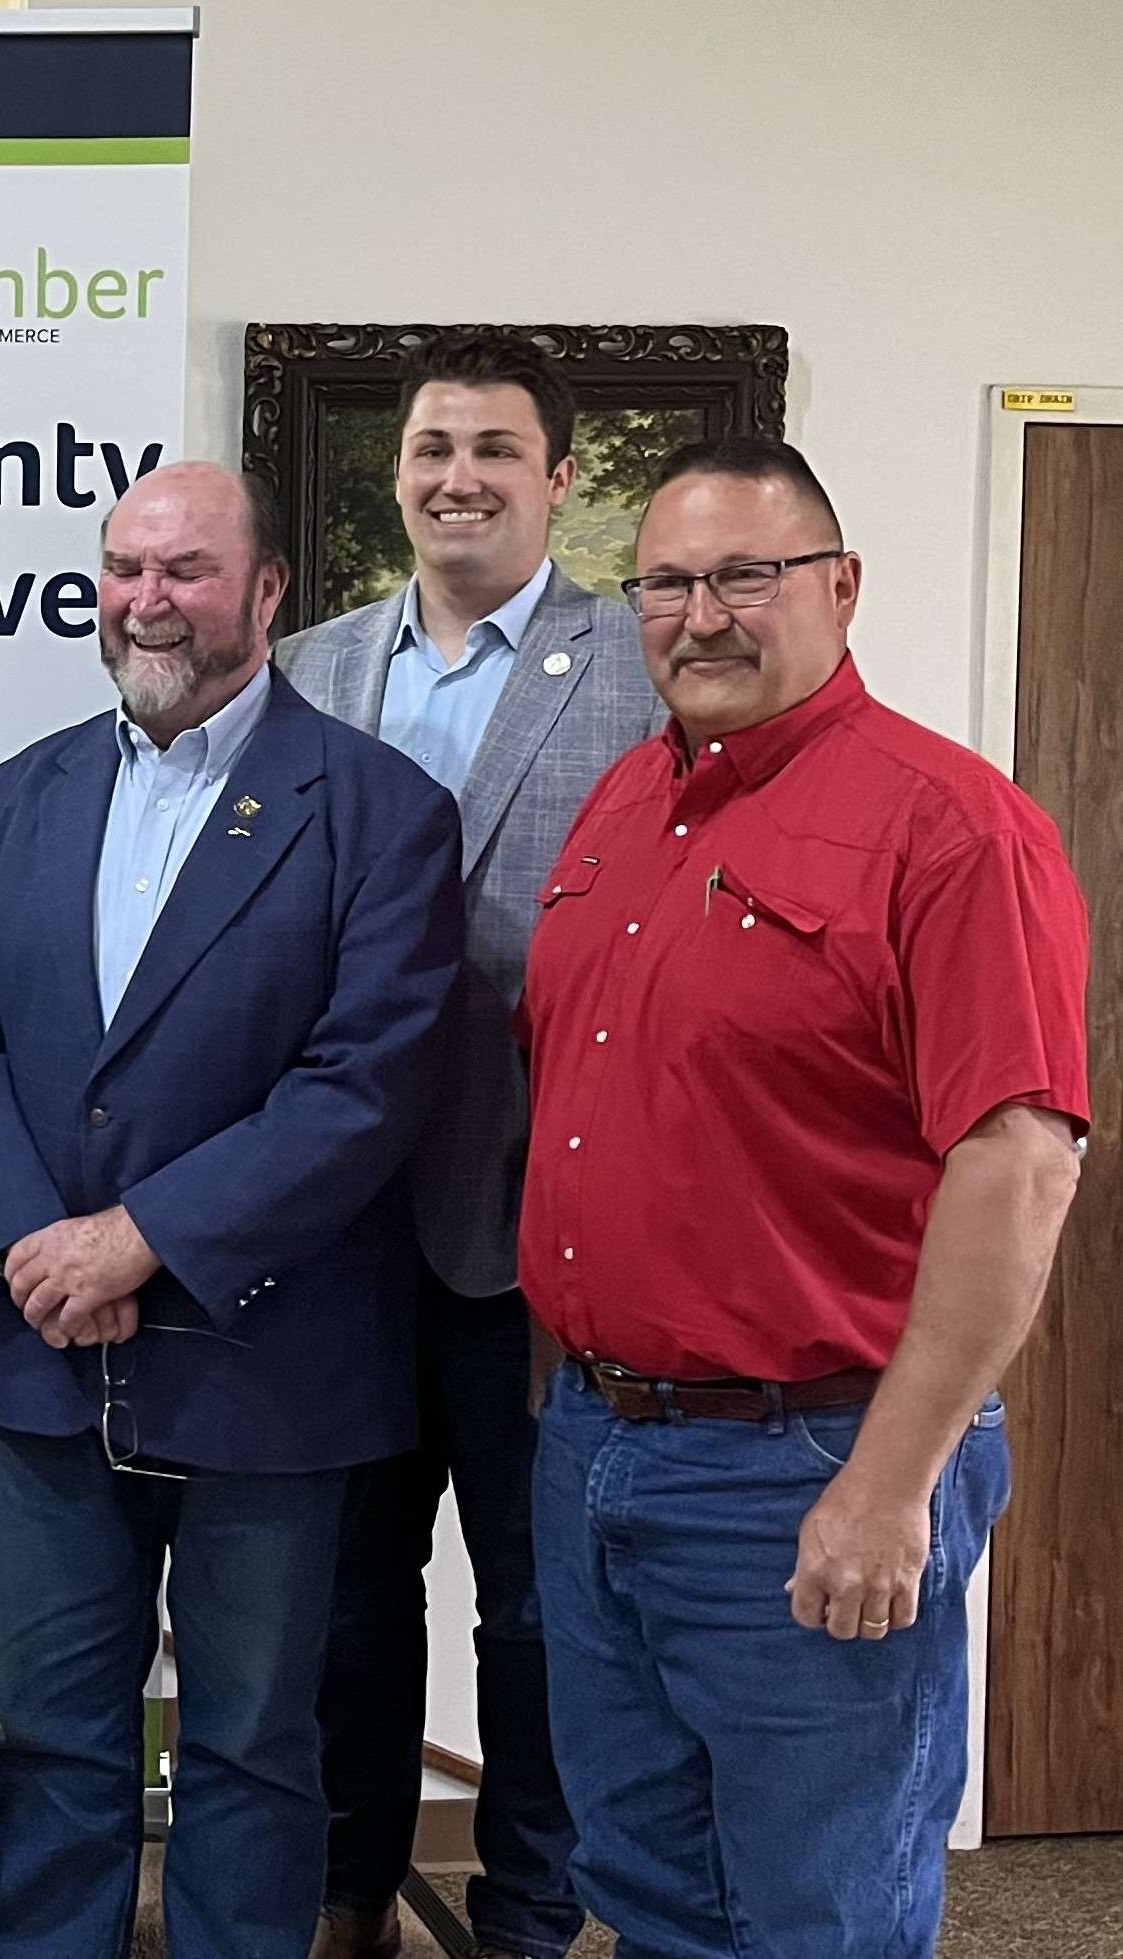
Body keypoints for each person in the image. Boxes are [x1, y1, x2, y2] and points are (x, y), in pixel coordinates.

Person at [521, 437, 1088, 1956]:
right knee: (644, 1889)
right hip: (595, 1449)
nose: (697, 615)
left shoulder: (951, 828)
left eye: (741, 578)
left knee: (817, 1909)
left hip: (810, 1463)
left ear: (838, 587)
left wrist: (889, 1487)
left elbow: (1018, 1161)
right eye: (663, 583)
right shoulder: (626, 806)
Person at [0, 460, 466, 1959]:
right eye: (124, 568)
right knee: (48, 1730)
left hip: (262, 1364)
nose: (148, 599)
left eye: (188, 570)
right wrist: (37, 1246)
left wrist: (140, 1239)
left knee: (247, 1743)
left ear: (267, 591)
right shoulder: (20, 795)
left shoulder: (379, 812)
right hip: (46, 1356)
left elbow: (364, 1085)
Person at [277, 332, 657, 1959]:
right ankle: (344, 1885)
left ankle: (527, 1908)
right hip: (330, 1233)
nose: (459, 477)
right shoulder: (304, 670)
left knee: (532, 1607)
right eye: (433, 446)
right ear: (396, 470)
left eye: (496, 449)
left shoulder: (642, 669)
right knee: (346, 1599)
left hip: (535, 1229)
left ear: (557, 480)